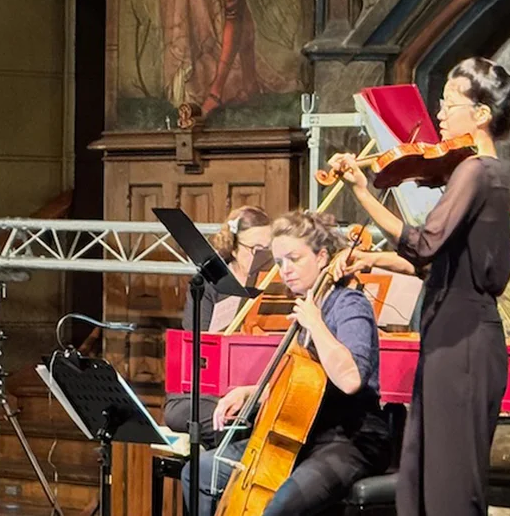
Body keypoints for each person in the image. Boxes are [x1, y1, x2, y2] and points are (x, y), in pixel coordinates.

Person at [329, 57, 510, 516]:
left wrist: (361, 193)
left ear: (480, 115)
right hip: (451, 335)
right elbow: (437, 266)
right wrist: (371, 257)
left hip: (464, 344)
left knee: (449, 489)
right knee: (420, 478)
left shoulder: (477, 172)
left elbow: (423, 243)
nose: (439, 115)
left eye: (449, 104)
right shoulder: (478, 174)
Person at [181, 210, 391, 516]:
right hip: (302, 436)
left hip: (349, 439)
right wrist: (250, 392)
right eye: (279, 262)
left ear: (322, 257)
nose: (285, 270)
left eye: (294, 259)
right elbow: (303, 384)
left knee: (279, 506)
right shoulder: (307, 304)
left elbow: (350, 380)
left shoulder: (349, 304)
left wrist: (316, 324)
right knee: (198, 471)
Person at [164, 205, 271, 450]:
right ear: (234, 247)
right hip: (211, 386)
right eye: (255, 249)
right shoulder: (209, 284)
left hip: (252, 385)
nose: (262, 257)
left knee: (240, 419)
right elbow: (196, 345)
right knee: (179, 412)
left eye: (268, 250)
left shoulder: (276, 283)